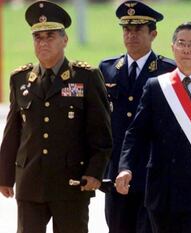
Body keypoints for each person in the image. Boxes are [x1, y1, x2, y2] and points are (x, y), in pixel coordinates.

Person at [115, 22, 191, 233]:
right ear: (172, 47)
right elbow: (136, 133)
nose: (185, 49)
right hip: (163, 192)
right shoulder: (157, 87)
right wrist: (125, 167)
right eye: (181, 43)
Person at [0, 1, 112, 233]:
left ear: (65, 40)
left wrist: (95, 172)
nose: (43, 42)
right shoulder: (20, 79)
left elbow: (100, 131)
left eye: (50, 36)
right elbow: (13, 131)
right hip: (30, 181)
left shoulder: (86, 77)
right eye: (38, 37)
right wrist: (4, 175)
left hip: (71, 182)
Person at [99, 1, 175, 232]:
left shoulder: (168, 70)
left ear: (153, 34)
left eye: (138, 30)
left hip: (153, 171)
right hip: (116, 171)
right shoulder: (108, 69)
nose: (131, 35)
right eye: (126, 30)